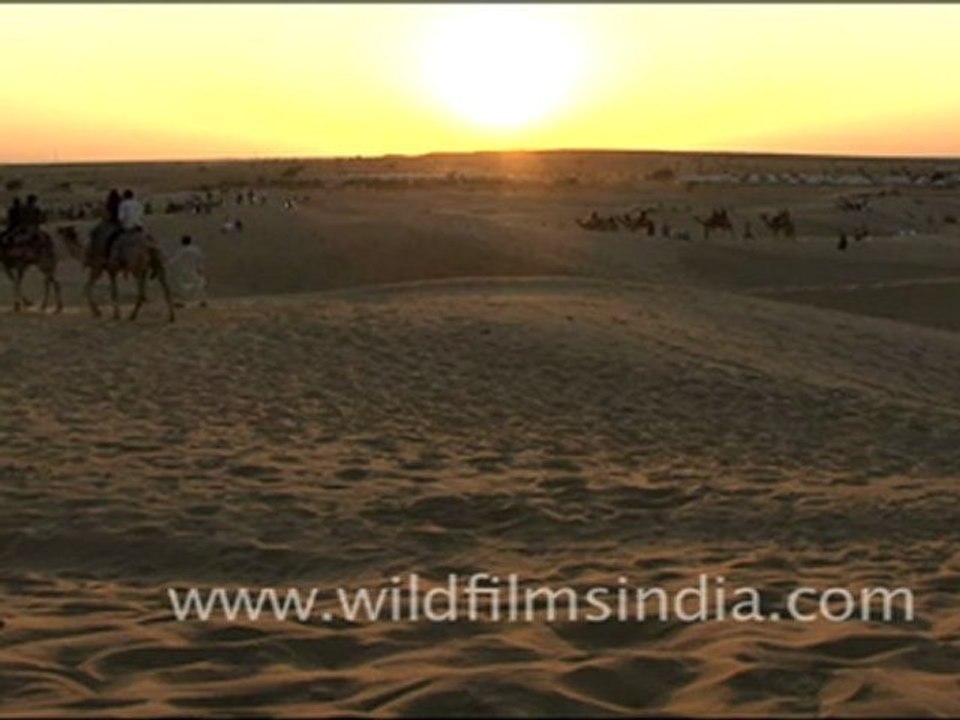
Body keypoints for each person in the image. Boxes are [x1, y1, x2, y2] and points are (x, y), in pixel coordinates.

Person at [170, 235, 207, 308]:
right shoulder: (196, 250)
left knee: (181, 287)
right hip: (194, 272)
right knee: (199, 285)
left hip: (183, 273)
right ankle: (201, 301)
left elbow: (174, 261)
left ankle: (180, 302)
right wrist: (201, 270)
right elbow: (199, 261)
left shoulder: (181, 251)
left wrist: (168, 263)